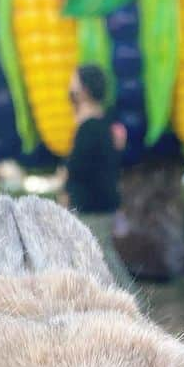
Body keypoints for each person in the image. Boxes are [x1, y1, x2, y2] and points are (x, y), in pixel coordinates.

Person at [62, 64, 131, 287]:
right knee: (95, 256)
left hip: (92, 206)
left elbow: (76, 170)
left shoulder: (90, 127)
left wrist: (65, 193)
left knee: (102, 257)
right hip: (102, 203)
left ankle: (132, 302)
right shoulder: (107, 123)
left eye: (74, 82)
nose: (70, 87)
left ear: (84, 90)